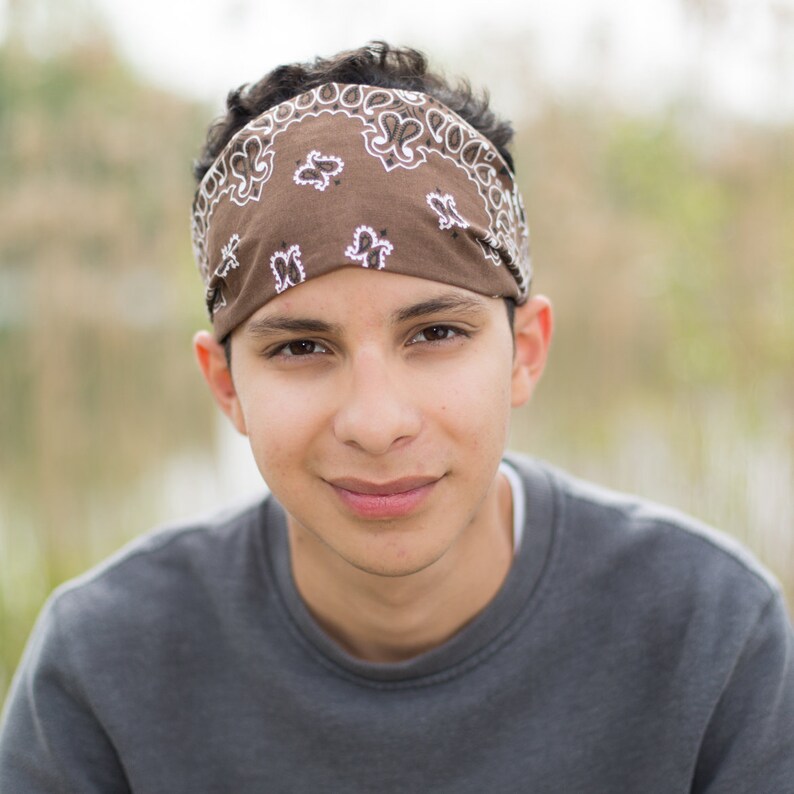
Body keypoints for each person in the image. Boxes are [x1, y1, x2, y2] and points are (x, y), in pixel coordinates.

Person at [1, 41, 792, 793]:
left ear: (523, 352)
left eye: (436, 334)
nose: (376, 423)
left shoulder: (711, 637)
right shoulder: (103, 668)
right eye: (302, 347)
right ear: (227, 386)